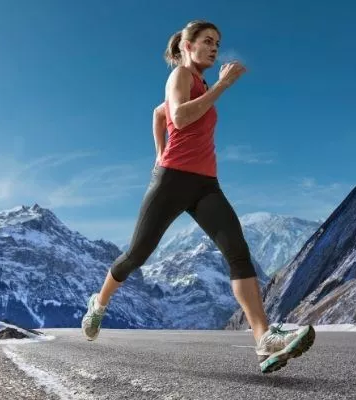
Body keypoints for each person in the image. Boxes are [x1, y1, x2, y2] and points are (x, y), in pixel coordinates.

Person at [81, 20, 315, 374]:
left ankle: (264, 339)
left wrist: (160, 147)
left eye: (218, 43)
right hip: (172, 181)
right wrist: (222, 86)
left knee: (238, 252)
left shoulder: (198, 83)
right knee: (136, 255)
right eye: (207, 41)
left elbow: (159, 114)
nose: (214, 48)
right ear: (186, 47)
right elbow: (179, 116)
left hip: (206, 184)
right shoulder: (180, 76)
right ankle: (98, 305)